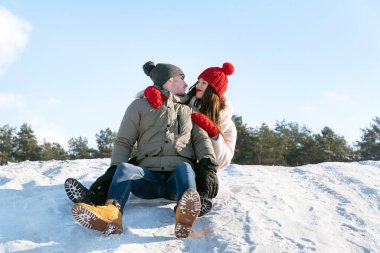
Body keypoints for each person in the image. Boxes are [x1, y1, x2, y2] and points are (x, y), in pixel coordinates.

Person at [65, 62, 237, 216]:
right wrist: (114, 169)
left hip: (176, 182)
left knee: (186, 167)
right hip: (147, 178)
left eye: (202, 83)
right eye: (182, 78)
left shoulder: (191, 111)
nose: (188, 84)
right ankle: (110, 212)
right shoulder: (140, 106)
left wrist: (208, 166)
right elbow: (124, 141)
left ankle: (187, 211)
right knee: (125, 168)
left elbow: (202, 142)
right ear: (169, 80)